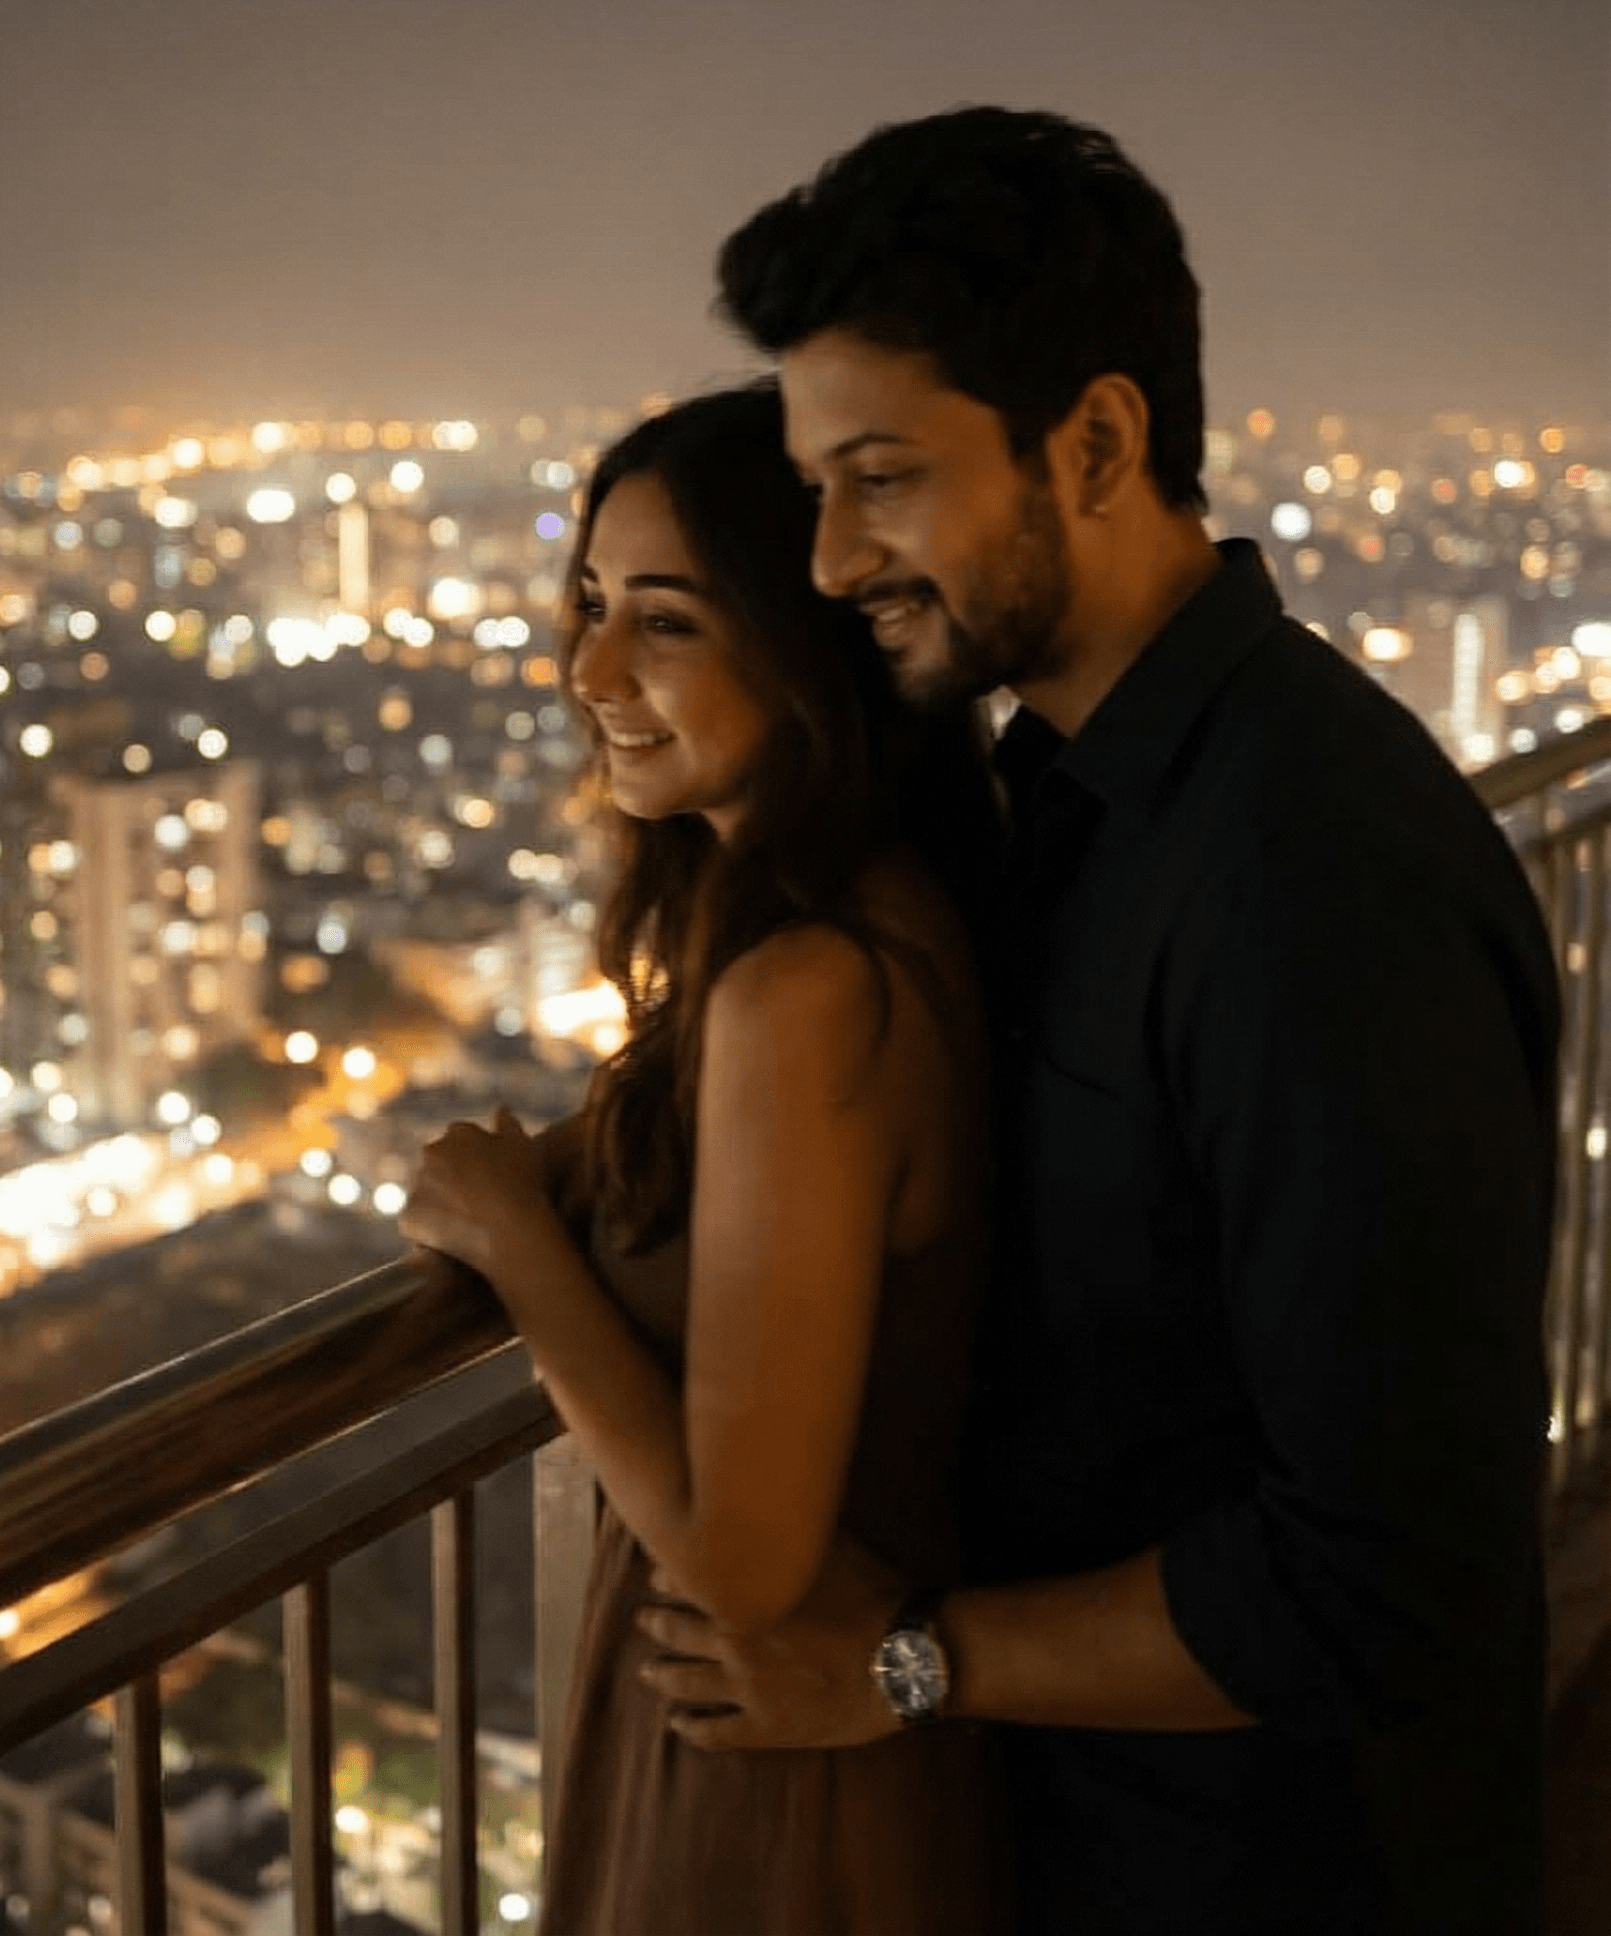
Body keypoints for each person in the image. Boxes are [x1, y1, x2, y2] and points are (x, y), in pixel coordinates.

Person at [632, 107, 1561, 1935]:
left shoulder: (1306, 874)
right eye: (815, 488)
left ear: (1101, 444)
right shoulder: (1073, 792)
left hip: (1278, 1870)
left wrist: (907, 1665)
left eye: (883, 478)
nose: (828, 560)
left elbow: (1384, 1579)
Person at [397, 384, 1011, 1934]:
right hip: (798, 1742)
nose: (591, 668)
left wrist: (517, 1245)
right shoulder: (880, 908)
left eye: (665, 621)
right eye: (592, 603)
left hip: (766, 1759)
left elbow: (744, 1561)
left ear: (807, 647)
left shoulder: (809, 992)